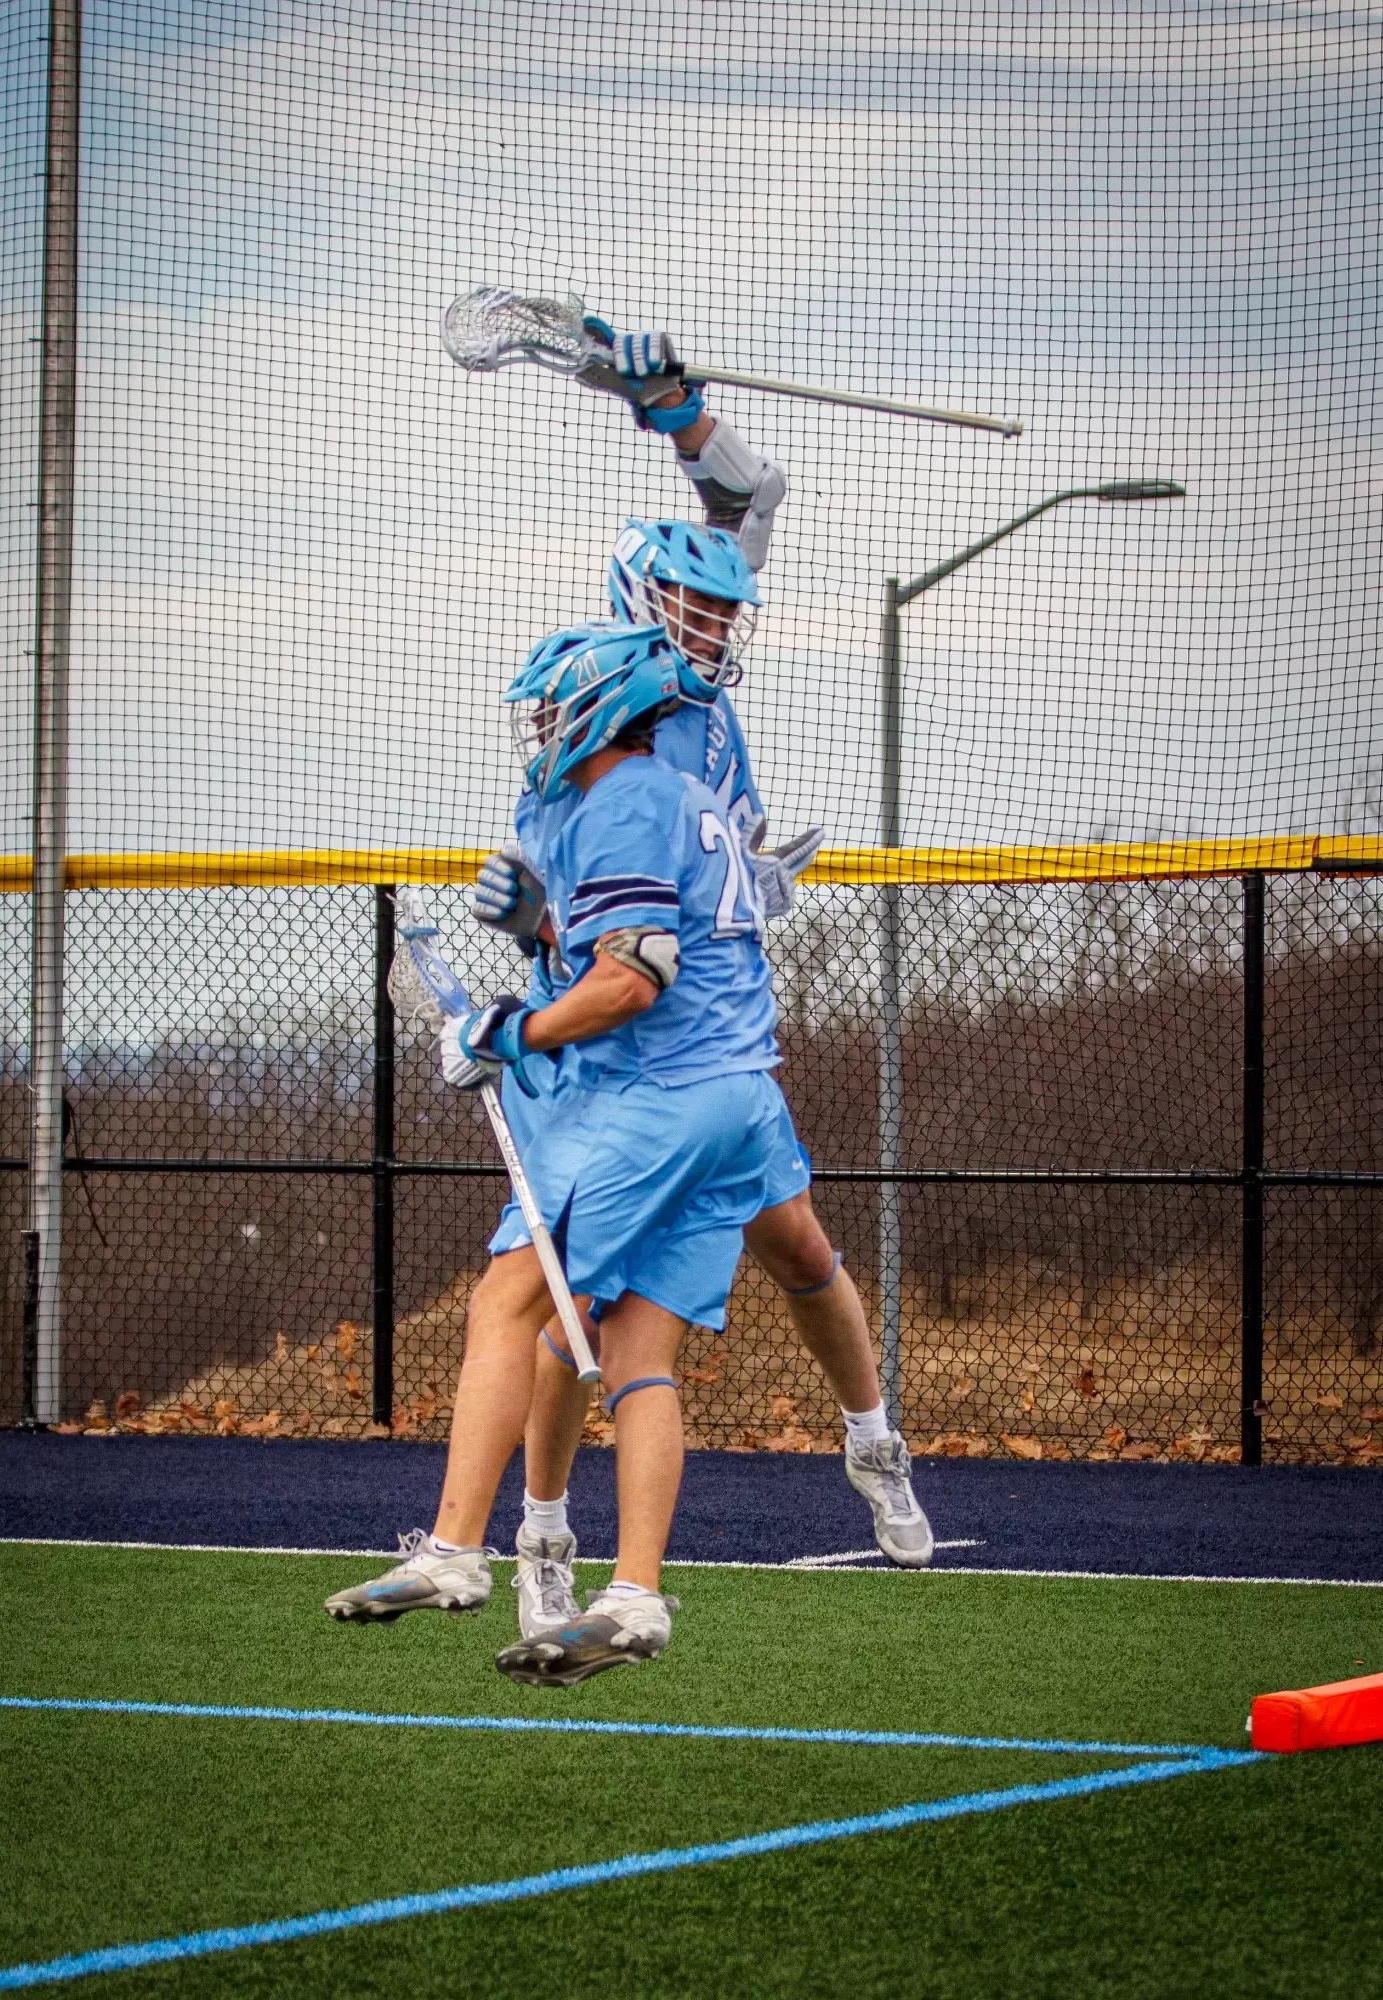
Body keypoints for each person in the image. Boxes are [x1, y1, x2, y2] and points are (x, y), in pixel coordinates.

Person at [472, 329, 934, 1645]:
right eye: (701, 607)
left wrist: (672, 408)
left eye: (727, 609)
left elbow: (747, 505)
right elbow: (559, 890)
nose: (722, 619)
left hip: (711, 1025)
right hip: (627, 1035)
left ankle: (870, 1440)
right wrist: (539, 954)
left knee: (792, 1243)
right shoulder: (610, 713)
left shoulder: (696, 678)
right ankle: (546, 1535)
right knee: (585, 1307)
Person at [326, 622, 804, 1687]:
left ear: (598, 707)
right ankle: (634, 1593)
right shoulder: (674, 794)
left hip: (664, 1096)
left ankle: (454, 1550)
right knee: (636, 1350)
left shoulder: (626, 793)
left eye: (551, 707)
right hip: (736, 1097)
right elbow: (614, 950)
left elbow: (638, 973)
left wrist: (508, 1030)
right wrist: (544, 941)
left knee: (509, 1298)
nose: (537, 726)